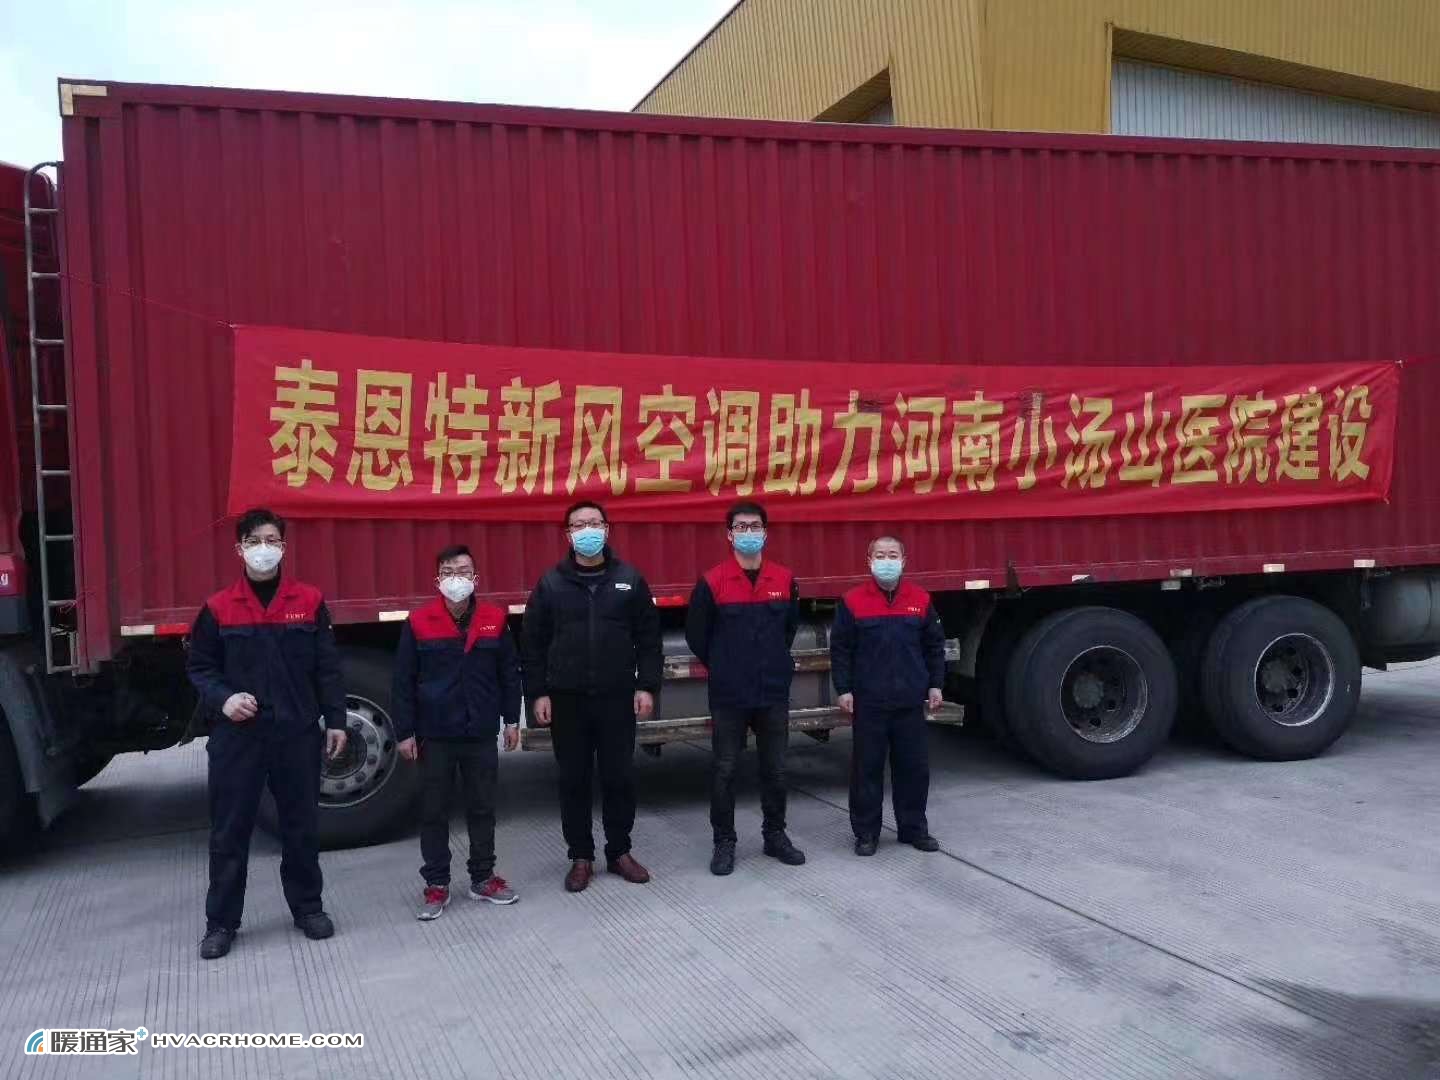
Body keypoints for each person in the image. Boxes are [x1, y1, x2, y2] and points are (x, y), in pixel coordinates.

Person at [186, 508, 348, 960]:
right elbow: (200, 667)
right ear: (239, 549)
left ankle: (308, 907)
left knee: (301, 827)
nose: (264, 549)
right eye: (255, 541)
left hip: (296, 733)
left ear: (283, 547)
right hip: (239, 738)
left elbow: (327, 668)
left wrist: (336, 720)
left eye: (272, 540)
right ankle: (220, 923)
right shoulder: (218, 608)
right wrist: (224, 699)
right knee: (229, 831)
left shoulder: (309, 601)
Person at [523, 501, 662, 892]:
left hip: (617, 698)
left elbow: (649, 640)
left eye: (594, 523)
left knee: (619, 777)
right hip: (567, 699)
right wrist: (538, 693)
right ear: (568, 535)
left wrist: (647, 686)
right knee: (573, 780)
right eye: (579, 525)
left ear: (607, 529)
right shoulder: (551, 584)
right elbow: (532, 644)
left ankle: (619, 852)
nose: (588, 530)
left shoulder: (629, 580)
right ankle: (580, 857)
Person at [392, 544, 523, 921]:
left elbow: (508, 673)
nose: (456, 579)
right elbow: (403, 681)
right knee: (434, 811)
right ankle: (436, 883)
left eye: (463, 571)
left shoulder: (494, 619)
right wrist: (404, 731)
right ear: (437, 580)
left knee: (482, 807)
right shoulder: (419, 622)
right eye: (448, 572)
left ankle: (483, 877)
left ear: (475, 577)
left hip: (480, 731)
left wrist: (511, 720)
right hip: (436, 734)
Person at [685, 501, 805, 877]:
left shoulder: (784, 579)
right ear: (729, 534)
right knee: (725, 770)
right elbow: (697, 635)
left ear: (765, 533)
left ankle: (775, 835)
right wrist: (725, 665)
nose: (748, 533)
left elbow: (788, 629)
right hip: (730, 693)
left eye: (755, 526)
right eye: (741, 527)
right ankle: (724, 842)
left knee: (777, 770)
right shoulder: (712, 581)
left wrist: (771, 662)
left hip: (772, 692)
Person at [829, 536, 945, 856]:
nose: (886, 561)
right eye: (880, 555)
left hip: (909, 701)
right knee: (866, 770)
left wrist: (935, 684)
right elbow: (841, 649)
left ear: (903, 561)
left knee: (913, 769)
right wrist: (844, 688)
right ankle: (866, 833)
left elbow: (934, 646)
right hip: (869, 702)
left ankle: (913, 829)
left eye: (892, 555)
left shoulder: (920, 599)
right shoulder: (852, 601)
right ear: (869, 561)